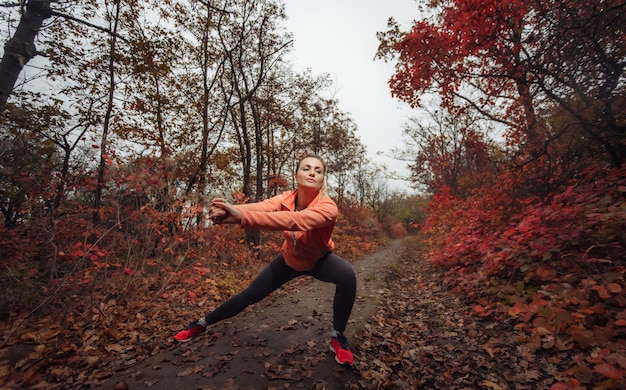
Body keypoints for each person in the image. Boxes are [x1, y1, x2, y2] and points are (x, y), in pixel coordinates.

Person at [173, 153, 357, 366]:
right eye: (306, 168)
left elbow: (295, 221)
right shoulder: (286, 198)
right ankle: (201, 323)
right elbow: (259, 207)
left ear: (322, 179)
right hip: (289, 260)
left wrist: (240, 217)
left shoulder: (328, 207)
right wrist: (228, 210)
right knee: (248, 295)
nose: (312, 173)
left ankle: (338, 336)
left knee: (347, 276)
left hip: (319, 261)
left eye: (318, 170)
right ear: (296, 174)